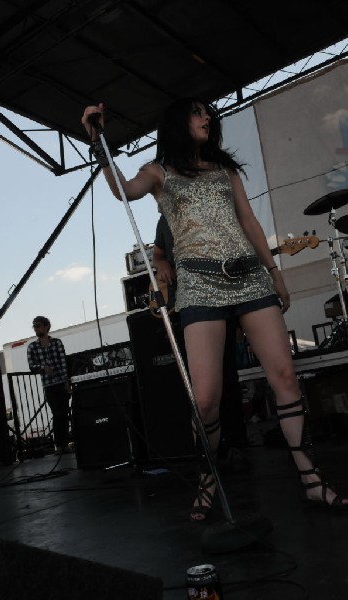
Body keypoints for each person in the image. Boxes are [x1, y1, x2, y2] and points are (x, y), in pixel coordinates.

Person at [81, 98, 348, 519]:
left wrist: (275, 274)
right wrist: (98, 141)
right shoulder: (158, 172)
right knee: (205, 399)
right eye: (198, 112)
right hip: (200, 285)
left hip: (250, 278)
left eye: (209, 113)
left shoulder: (226, 170)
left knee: (284, 376)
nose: (208, 117)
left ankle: (311, 480)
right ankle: (208, 477)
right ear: (176, 121)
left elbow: (249, 222)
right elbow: (123, 191)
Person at [153, 214, 248, 476]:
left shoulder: (205, 207)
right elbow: (158, 253)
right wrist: (161, 264)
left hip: (218, 303)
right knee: (195, 385)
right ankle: (206, 453)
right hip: (185, 308)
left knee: (226, 377)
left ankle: (236, 445)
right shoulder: (165, 219)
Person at [27, 316, 72, 455]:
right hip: (49, 385)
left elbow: (64, 363)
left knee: (64, 414)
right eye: (34, 326)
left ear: (46, 326)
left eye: (38, 325)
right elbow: (31, 366)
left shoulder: (57, 343)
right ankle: (60, 445)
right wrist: (42, 368)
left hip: (61, 383)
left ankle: (64, 444)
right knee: (57, 414)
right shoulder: (32, 347)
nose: (36, 328)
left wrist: (67, 382)